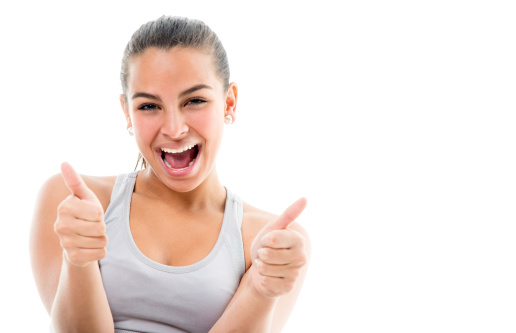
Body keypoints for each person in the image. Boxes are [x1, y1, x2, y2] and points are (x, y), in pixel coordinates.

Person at [29, 15, 310, 333]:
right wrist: (78, 261)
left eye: (195, 101)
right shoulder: (73, 204)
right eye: (149, 106)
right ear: (127, 113)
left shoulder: (272, 241)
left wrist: (260, 290)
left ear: (229, 102)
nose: (175, 129)